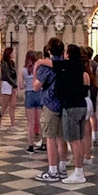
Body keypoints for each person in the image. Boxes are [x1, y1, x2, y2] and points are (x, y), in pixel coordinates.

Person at [33, 38, 69, 182]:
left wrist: (36, 70)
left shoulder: (46, 66)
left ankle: (52, 171)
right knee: (62, 138)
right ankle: (63, 168)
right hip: (64, 103)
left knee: (50, 138)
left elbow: (36, 86)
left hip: (50, 103)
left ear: (48, 51)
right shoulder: (66, 64)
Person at [57, 44, 91, 184]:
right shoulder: (80, 68)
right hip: (82, 104)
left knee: (74, 140)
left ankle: (79, 172)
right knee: (79, 138)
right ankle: (79, 168)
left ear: (69, 54)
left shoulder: (68, 67)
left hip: (71, 106)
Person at [22, 51, 42, 152]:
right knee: (40, 121)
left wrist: (27, 83)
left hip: (29, 94)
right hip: (39, 93)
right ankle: (44, 144)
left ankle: (30, 146)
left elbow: (21, 85)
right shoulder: (39, 69)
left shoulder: (24, 70)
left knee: (30, 123)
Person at [0, 46, 18, 130]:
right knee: (4, 105)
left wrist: (15, 85)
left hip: (12, 85)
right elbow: (6, 76)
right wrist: (13, 84)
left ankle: (13, 125)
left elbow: (14, 74)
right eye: (12, 53)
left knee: (12, 106)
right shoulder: (4, 64)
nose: (13, 54)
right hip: (7, 84)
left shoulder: (12, 63)